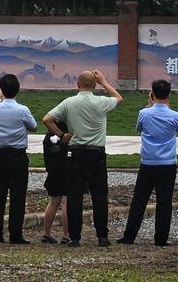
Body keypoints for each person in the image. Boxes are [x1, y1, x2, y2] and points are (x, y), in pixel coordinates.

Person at [41, 68, 123, 247]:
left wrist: (62, 135)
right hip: (96, 153)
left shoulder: (69, 102)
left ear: (77, 85)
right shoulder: (101, 102)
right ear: (94, 86)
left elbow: (46, 119)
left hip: (75, 153)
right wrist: (104, 82)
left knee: (74, 196)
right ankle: (102, 236)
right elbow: (119, 99)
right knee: (99, 196)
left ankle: (75, 237)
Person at [120, 78, 178, 247]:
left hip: (148, 162)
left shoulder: (144, 113)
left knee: (139, 200)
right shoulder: (175, 116)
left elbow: (139, 128)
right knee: (164, 201)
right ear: (169, 95)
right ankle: (161, 238)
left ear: (152, 94)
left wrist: (149, 105)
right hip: (168, 163)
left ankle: (129, 236)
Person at [0, 73, 36, 244]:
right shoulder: (23, 110)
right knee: (18, 196)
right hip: (17, 156)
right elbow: (34, 127)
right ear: (18, 89)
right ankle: (15, 234)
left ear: (1, 89)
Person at [37, 118, 70, 244]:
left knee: (53, 202)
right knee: (66, 203)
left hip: (53, 172)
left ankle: (47, 233)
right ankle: (66, 235)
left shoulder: (48, 137)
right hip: (67, 171)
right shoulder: (67, 135)